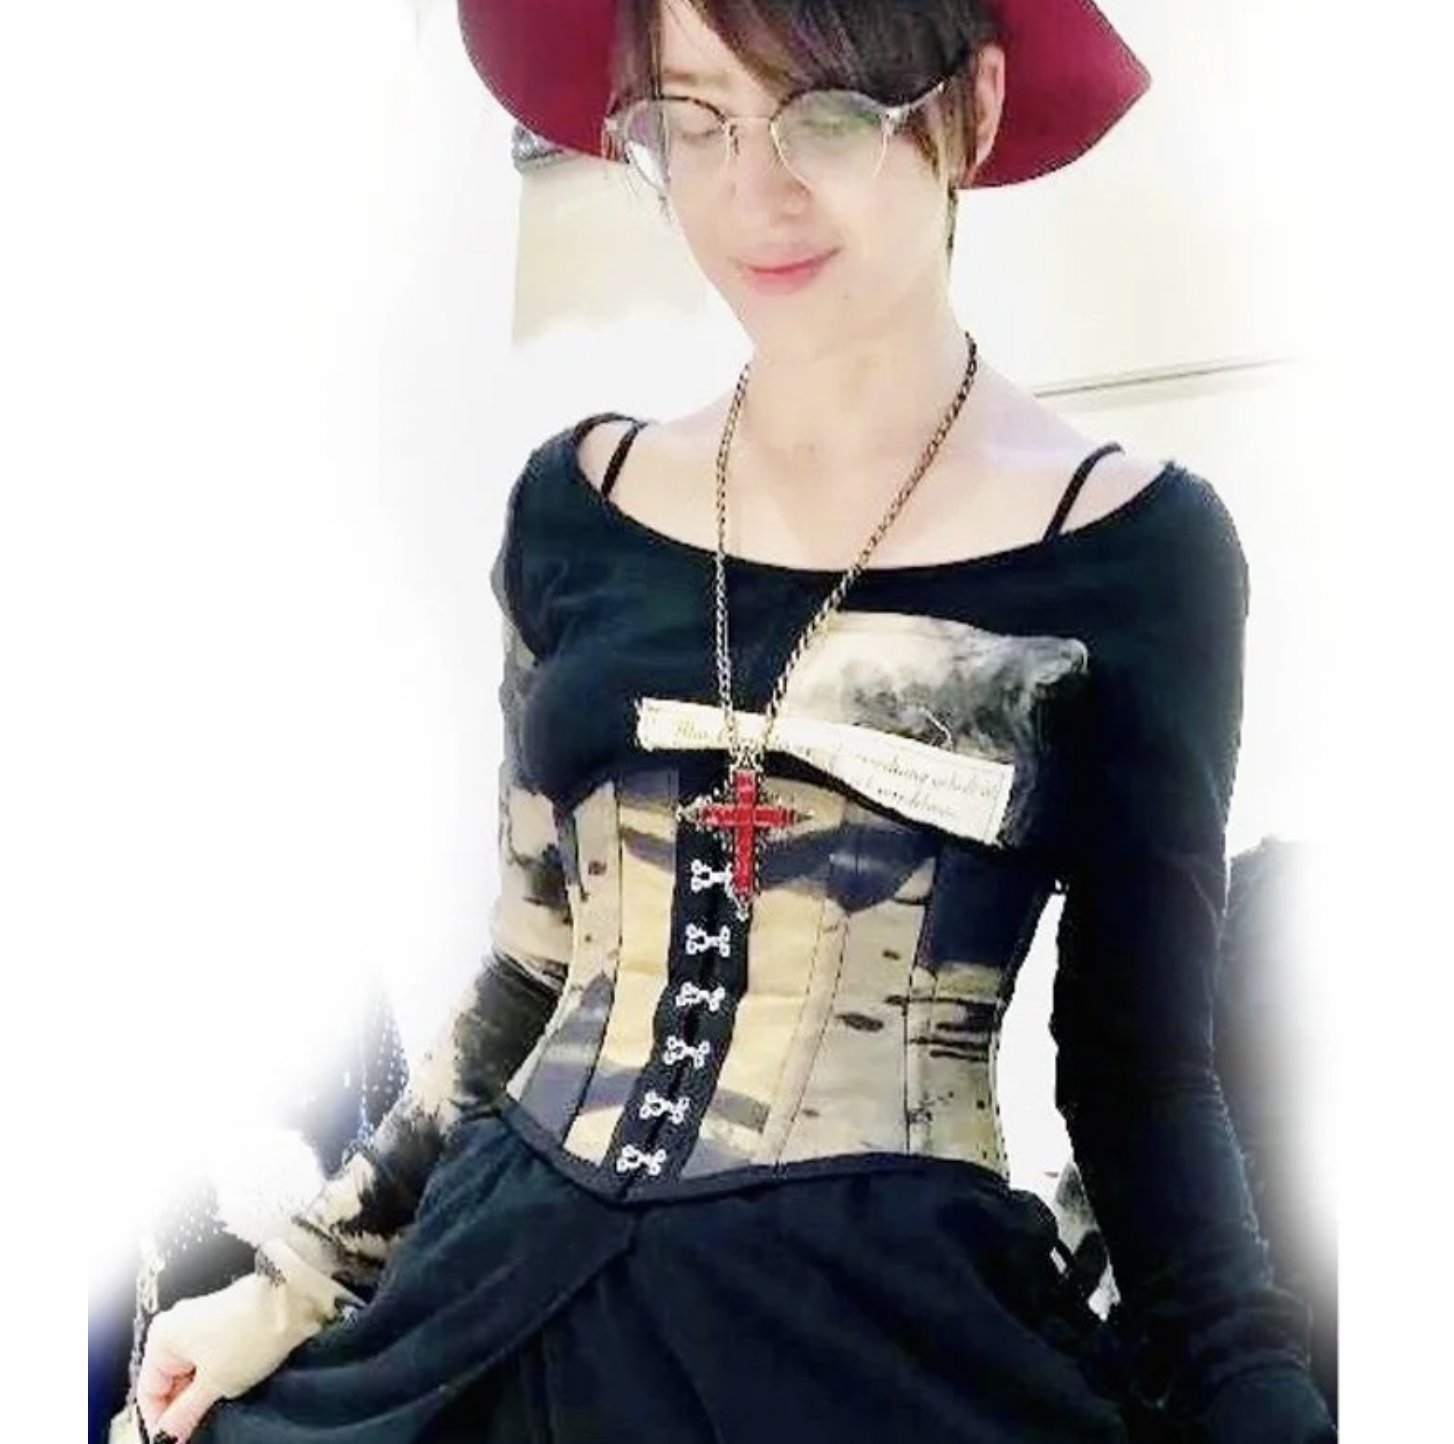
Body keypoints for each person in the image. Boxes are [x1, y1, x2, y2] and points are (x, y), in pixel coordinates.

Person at [130, 2, 1337, 1441]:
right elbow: (527, 972)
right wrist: (293, 1283)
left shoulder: (1135, 550)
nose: (752, 190)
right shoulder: (575, 506)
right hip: (505, 1289)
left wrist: (1255, 1391)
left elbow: (1141, 1079)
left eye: (826, 114)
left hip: (875, 1335)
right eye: (691, 118)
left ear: (972, 107)